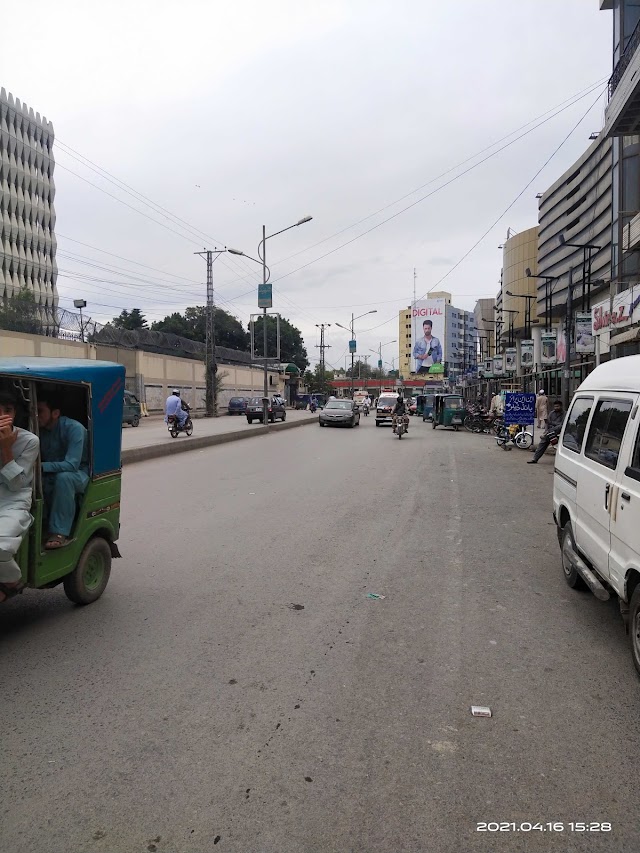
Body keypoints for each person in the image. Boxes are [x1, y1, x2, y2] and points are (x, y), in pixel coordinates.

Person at [0, 392, 40, 601]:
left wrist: (6, 448)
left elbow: (16, 484)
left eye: (7, 411)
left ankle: (11, 581)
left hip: (13, 502)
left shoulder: (29, 441)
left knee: (1, 546)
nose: (2, 416)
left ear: (14, 414)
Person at [38, 397, 90, 549]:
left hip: (79, 473)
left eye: (40, 411)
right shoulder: (41, 431)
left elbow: (72, 465)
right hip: (52, 471)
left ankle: (59, 531)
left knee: (64, 478)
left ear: (55, 413)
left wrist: (41, 466)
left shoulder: (74, 428)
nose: (36, 415)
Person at [527, 399, 565, 464]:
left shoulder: (564, 414)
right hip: (550, 433)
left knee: (559, 428)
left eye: (557, 406)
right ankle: (535, 459)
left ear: (561, 406)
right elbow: (547, 423)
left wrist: (552, 424)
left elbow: (562, 425)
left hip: (559, 433)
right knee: (542, 444)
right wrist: (546, 430)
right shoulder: (551, 413)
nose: (556, 408)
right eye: (555, 406)